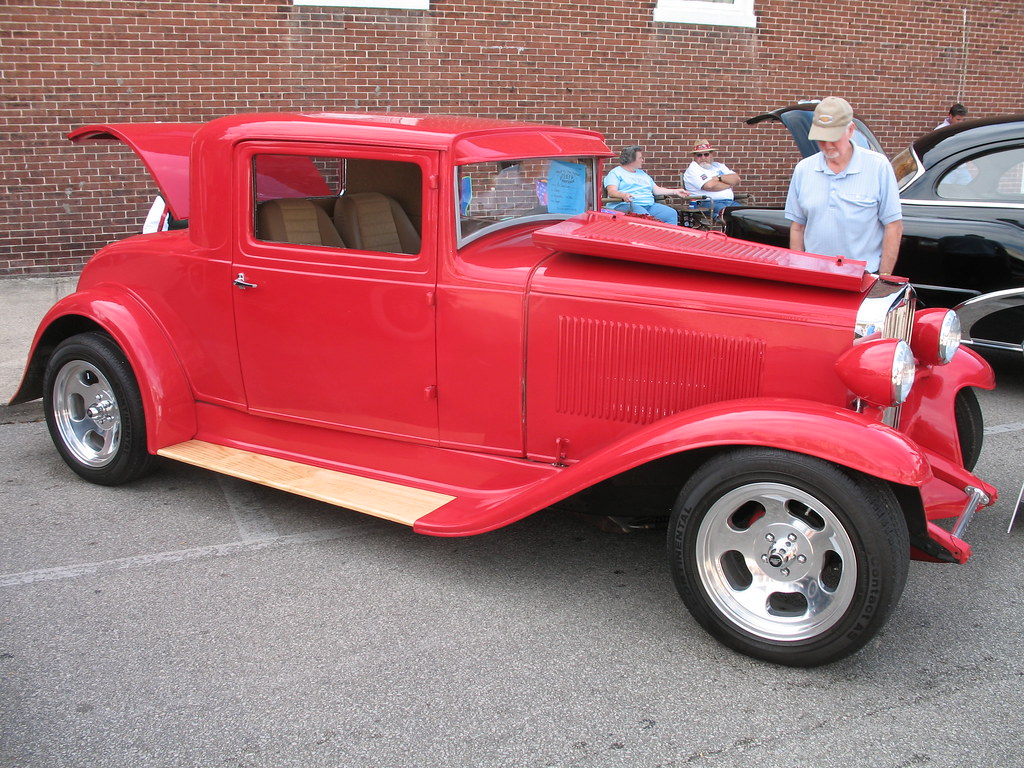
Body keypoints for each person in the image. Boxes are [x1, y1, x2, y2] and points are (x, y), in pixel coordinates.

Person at [784, 97, 903, 276]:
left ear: (850, 130)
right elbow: (797, 227)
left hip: (863, 277)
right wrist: (799, 272)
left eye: (833, 138)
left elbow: (893, 225)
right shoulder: (804, 169)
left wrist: (883, 279)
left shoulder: (878, 166)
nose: (827, 145)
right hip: (814, 276)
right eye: (821, 139)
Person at [604, 146, 688, 225]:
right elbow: (612, 191)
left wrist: (675, 191)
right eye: (640, 158)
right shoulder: (615, 173)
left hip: (649, 205)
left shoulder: (642, 174)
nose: (642, 160)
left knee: (671, 214)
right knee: (646, 218)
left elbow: (656, 190)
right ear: (631, 159)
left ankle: (668, 239)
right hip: (627, 205)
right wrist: (623, 195)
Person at [683, 139, 742, 218]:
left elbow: (737, 179)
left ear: (711, 154)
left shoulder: (718, 166)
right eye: (699, 155)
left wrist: (718, 178)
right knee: (731, 215)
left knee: (745, 214)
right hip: (707, 203)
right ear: (694, 156)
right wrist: (729, 184)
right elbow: (709, 186)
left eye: (706, 154)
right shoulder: (693, 169)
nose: (703, 157)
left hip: (730, 202)